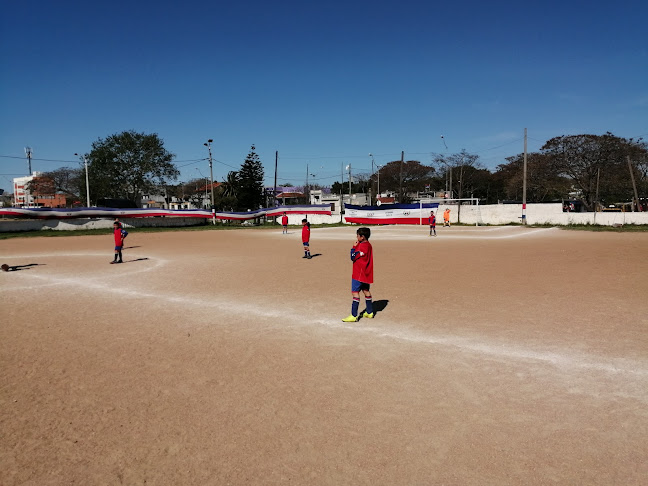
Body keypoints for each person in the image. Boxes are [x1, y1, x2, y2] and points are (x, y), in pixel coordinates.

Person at [342, 227, 374, 322]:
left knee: (355, 293)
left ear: (362, 237)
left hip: (359, 273)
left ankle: (354, 315)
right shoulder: (369, 245)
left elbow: (352, 257)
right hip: (366, 273)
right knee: (366, 291)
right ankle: (369, 312)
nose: (356, 237)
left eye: (358, 235)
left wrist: (354, 247)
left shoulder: (361, 246)